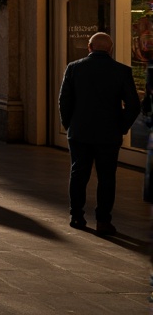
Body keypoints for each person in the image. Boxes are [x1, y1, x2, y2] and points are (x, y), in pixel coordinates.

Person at [58, 31, 140, 235]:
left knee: (78, 174)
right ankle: (103, 220)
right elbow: (133, 105)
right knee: (107, 178)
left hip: (79, 132)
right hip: (108, 134)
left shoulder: (74, 68)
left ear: (89, 47)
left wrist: (69, 125)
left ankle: (77, 216)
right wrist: (120, 126)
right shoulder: (122, 71)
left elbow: (64, 101)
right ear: (110, 49)